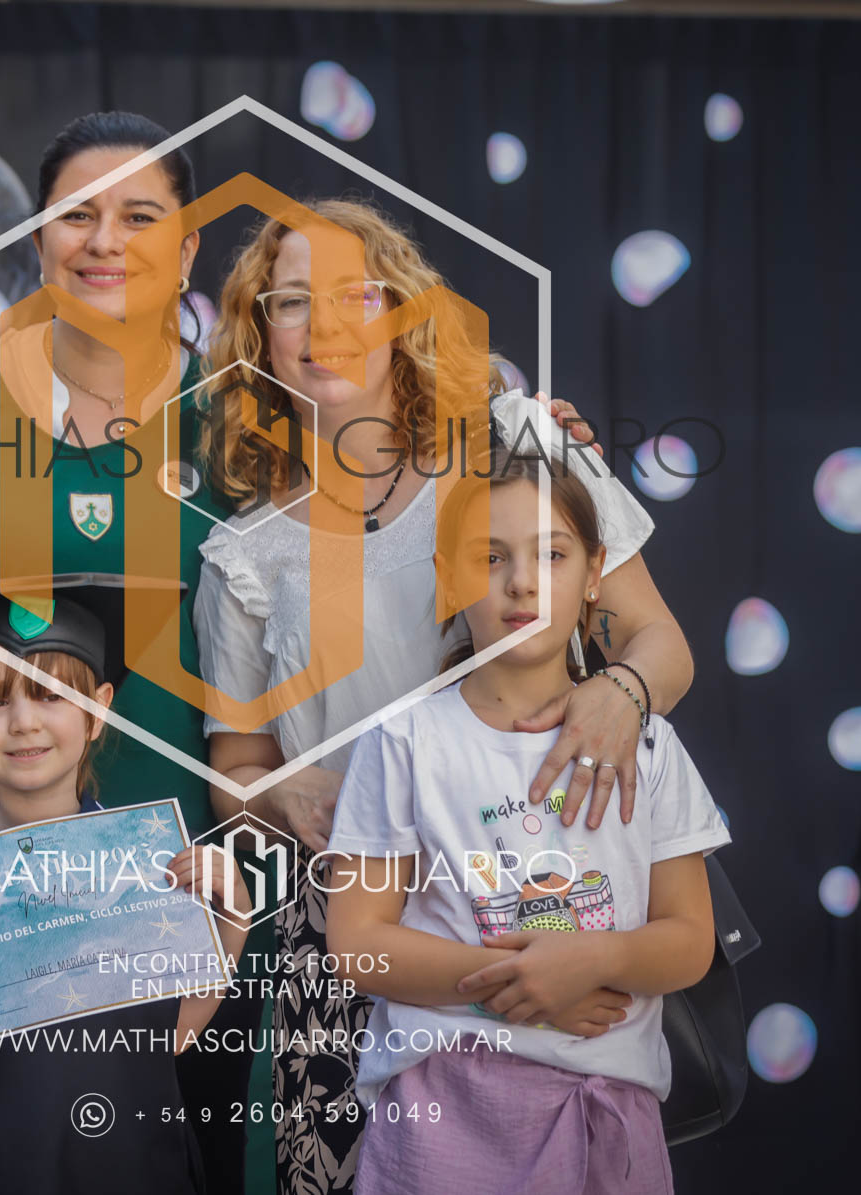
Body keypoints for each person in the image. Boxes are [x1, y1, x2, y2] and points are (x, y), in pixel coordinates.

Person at [193, 199, 694, 1194]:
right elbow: (233, 771)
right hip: (358, 924)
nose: (324, 326)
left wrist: (622, 692)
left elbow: (658, 641)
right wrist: (280, 791)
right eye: (290, 303)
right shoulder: (242, 551)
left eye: (354, 295)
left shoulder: (517, 443)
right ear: (256, 335)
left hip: (536, 884)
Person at [0, 112, 266, 1187]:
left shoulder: (246, 413)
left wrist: (521, 432)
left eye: (139, 216)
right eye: (77, 215)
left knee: (174, 1156)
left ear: (187, 248)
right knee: (11, 1147)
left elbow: (396, 500)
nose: (104, 240)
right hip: (0, 889)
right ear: (37, 239)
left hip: (184, 872)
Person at [323, 446, 730, 1193]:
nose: (521, 580)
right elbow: (357, 944)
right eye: (490, 557)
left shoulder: (650, 746)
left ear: (594, 573)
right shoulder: (403, 743)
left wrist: (593, 961)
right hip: (441, 1112)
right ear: (449, 576)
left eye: (552, 553)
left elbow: (688, 940)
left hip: (607, 1115)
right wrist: (515, 981)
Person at [0, 581, 251, 1194]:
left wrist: (233, 921)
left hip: (130, 1169)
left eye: (50, 695)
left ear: (97, 710)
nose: (24, 723)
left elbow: (170, 1037)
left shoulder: (146, 864)